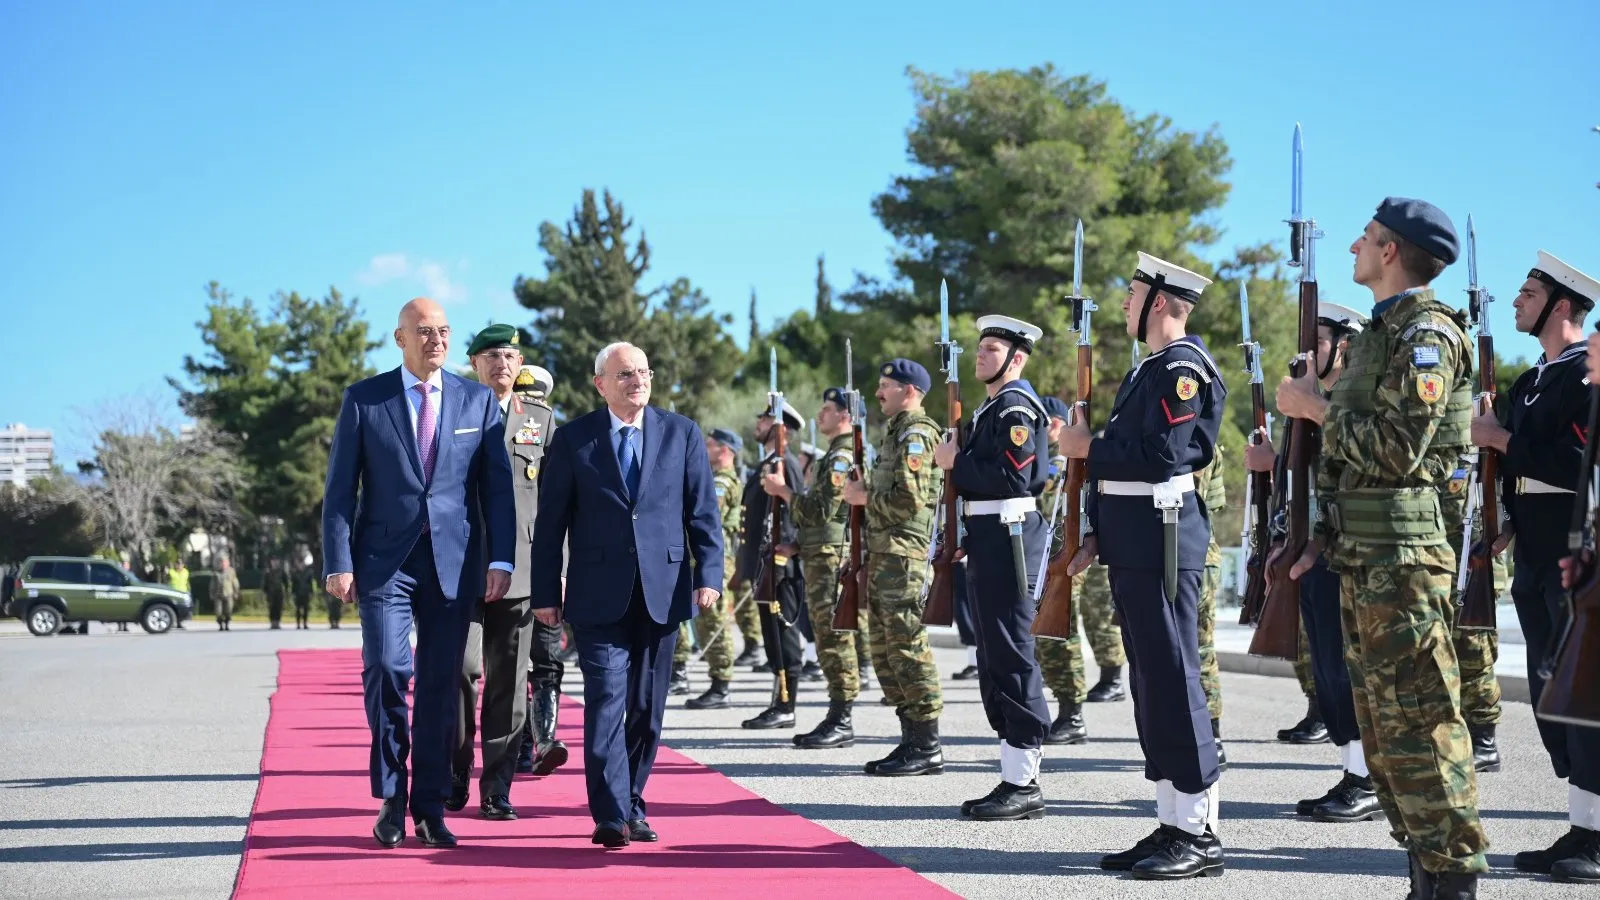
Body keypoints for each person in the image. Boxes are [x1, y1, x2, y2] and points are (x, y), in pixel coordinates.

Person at [1275, 198, 1487, 896]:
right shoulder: (1380, 334)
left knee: (1422, 724)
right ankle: (1421, 877)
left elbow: (1399, 450)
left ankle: (1452, 882)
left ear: (1391, 251)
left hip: (1406, 562)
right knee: (1386, 734)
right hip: (1366, 558)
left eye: (1364, 240)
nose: (1353, 251)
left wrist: (1314, 409)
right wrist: (1321, 539)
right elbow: (1351, 465)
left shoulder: (1427, 334)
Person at [322, 297, 517, 851]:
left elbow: (496, 489)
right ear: (400, 338)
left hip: (453, 565)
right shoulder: (365, 400)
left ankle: (429, 807)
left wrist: (500, 559)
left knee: (440, 685)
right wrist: (339, 561)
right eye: (424, 331)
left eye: (444, 331)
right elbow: (340, 493)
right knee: (386, 667)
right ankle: (391, 795)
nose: (436, 340)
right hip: (385, 562)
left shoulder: (477, 401)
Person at [1061, 251, 1227, 878]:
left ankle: (1201, 831)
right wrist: (1098, 531)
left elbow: (1162, 456)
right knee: (1152, 682)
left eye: (1133, 294)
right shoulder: (1148, 370)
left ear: (1160, 301)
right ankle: (1171, 821)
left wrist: (1088, 447)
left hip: (1164, 541)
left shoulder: (1183, 368)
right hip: (1134, 539)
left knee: (1177, 679)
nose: (1125, 303)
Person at [527, 341, 722, 849]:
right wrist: (546, 592)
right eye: (624, 374)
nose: (637, 380)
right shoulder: (573, 440)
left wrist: (710, 576)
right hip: (596, 596)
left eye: (643, 372)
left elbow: (703, 513)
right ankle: (610, 813)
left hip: (663, 592)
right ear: (600, 384)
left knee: (646, 708)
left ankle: (634, 800)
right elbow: (550, 527)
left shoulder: (682, 434)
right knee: (606, 700)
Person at [1470, 251, 1600, 883]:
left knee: (1582, 690)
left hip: (1573, 549)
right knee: (1553, 690)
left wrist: (1500, 440)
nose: (1518, 302)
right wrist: (1508, 524)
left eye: (1528, 294)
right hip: (1533, 547)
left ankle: (1594, 838)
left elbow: (1576, 466)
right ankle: (1581, 826)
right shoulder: (1530, 381)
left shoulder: (1586, 379)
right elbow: (1515, 463)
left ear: (1563, 306)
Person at [1253, 301, 1381, 823]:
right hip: (1313, 547)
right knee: (1328, 667)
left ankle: (1369, 776)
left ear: (1343, 348)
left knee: (1352, 668)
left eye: (1318, 343)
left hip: (1350, 547)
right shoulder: (1312, 407)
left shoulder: (1355, 403)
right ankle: (1355, 772)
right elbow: (1300, 485)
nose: (1304, 355)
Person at [935, 316, 1053, 819]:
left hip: (1009, 539)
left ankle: (1024, 781)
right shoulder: (992, 408)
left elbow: (1016, 477)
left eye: (992, 348)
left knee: (1012, 654)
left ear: (1017, 358)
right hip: (989, 537)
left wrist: (953, 464)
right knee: (994, 656)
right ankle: (1012, 774)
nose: (981, 354)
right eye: (981, 347)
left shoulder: (1016, 406)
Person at [446, 326, 553, 821]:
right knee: (461, 672)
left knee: (510, 681)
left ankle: (497, 786)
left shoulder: (541, 420)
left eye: (510, 355)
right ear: (473, 362)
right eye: (491, 355)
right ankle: (454, 770)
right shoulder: (453, 411)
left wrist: (559, 572)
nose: (501, 363)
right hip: (462, 565)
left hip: (524, 568)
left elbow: (557, 507)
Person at [844, 359, 944, 776]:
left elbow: (910, 500)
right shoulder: (895, 434)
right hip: (885, 554)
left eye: (886, 385)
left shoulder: (917, 434)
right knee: (884, 652)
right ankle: (911, 740)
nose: (878, 392)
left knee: (906, 647)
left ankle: (927, 744)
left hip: (905, 556)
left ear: (910, 391)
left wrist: (863, 499)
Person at [764, 387, 864, 749]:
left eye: (827, 410)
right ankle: (837, 714)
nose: (820, 415)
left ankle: (842, 716)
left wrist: (784, 492)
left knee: (834, 635)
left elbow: (821, 510)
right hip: (819, 552)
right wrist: (797, 544)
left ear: (844, 416)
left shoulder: (840, 457)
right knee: (826, 635)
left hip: (830, 555)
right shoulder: (834, 455)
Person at [508, 363, 570, 780]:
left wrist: (564, 570)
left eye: (536, 402)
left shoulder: (552, 436)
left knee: (547, 659)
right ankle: (521, 743)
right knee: (512, 665)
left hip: (545, 568)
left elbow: (562, 510)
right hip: (507, 569)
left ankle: (544, 739)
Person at [733, 401, 808, 729]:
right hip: (764, 566)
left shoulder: (785, 464)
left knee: (783, 636)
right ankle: (778, 702)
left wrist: (783, 555)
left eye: (765, 419)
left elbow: (794, 515)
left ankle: (786, 704)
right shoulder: (767, 463)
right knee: (771, 636)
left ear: (782, 430)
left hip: (779, 567)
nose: (758, 423)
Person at [684, 428, 746, 711]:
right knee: (704, 621)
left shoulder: (721, 482)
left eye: (710, 446)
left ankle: (721, 683)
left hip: (718, 560)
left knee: (714, 619)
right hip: (706, 559)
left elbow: (711, 516)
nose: (706, 450)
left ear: (724, 450)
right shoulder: (716, 479)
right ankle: (717, 681)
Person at [212, 558, 239, 632]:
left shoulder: (231, 571)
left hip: (228, 594)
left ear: (227, 563)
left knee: (229, 611)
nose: (223, 564)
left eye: (224, 563)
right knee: (218, 612)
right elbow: (212, 584)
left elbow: (235, 582)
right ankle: (220, 625)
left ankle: (227, 624)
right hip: (218, 595)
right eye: (221, 563)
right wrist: (212, 593)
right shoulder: (216, 572)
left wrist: (236, 592)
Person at [264, 560, 289, 630]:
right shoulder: (268, 572)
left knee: (279, 608)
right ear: (271, 563)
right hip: (271, 593)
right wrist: (265, 593)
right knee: (272, 608)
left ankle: (277, 623)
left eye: (276, 562)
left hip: (279, 593)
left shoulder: (281, 571)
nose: (274, 563)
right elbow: (265, 584)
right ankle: (272, 623)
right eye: (273, 562)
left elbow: (286, 582)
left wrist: (286, 590)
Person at [290, 559, 314, 629]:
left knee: (306, 609)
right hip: (297, 594)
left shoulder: (308, 573)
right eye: (300, 564)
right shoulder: (295, 573)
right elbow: (293, 585)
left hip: (305, 593)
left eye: (302, 563)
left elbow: (310, 584)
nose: (301, 565)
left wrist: (311, 592)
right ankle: (298, 624)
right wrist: (293, 593)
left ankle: (305, 624)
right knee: (298, 610)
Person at [169, 561, 191, 630]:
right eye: (178, 564)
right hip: (173, 592)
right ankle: (172, 623)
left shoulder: (186, 572)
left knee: (182, 608)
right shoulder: (171, 572)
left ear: (183, 565)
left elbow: (187, 581)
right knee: (173, 608)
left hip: (183, 592)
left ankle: (179, 623)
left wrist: (188, 590)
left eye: (181, 564)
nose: (179, 566)